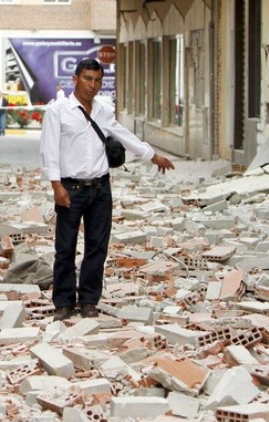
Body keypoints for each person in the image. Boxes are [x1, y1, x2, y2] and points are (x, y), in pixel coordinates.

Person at [39, 59, 174, 321]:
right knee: (65, 248)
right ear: (75, 79)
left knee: (97, 247)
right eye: (87, 79)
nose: (92, 85)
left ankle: (89, 300)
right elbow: (49, 150)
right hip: (70, 188)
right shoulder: (58, 111)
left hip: (100, 189)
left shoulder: (103, 111)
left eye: (97, 80)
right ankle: (64, 303)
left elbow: (124, 135)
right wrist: (56, 185)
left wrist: (153, 156)